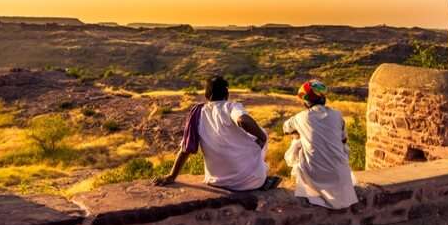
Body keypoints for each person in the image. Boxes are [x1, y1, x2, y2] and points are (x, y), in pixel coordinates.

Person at [153, 76, 281, 191]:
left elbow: (186, 148)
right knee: (262, 132)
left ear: (207, 96)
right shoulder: (231, 107)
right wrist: (262, 137)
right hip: (249, 183)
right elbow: (243, 120)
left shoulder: (197, 113)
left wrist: (172, 176)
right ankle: (261, 176)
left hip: (216, 181)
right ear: (227, 94)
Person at [283, 80, 358, 209]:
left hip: (316, 175)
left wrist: (300, 133)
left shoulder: (300, 117)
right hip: (340, 176)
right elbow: (343, 140)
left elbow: (285, 129)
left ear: (306, 100)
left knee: (298, 142)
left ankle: (301, 184)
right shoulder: (337, 115)